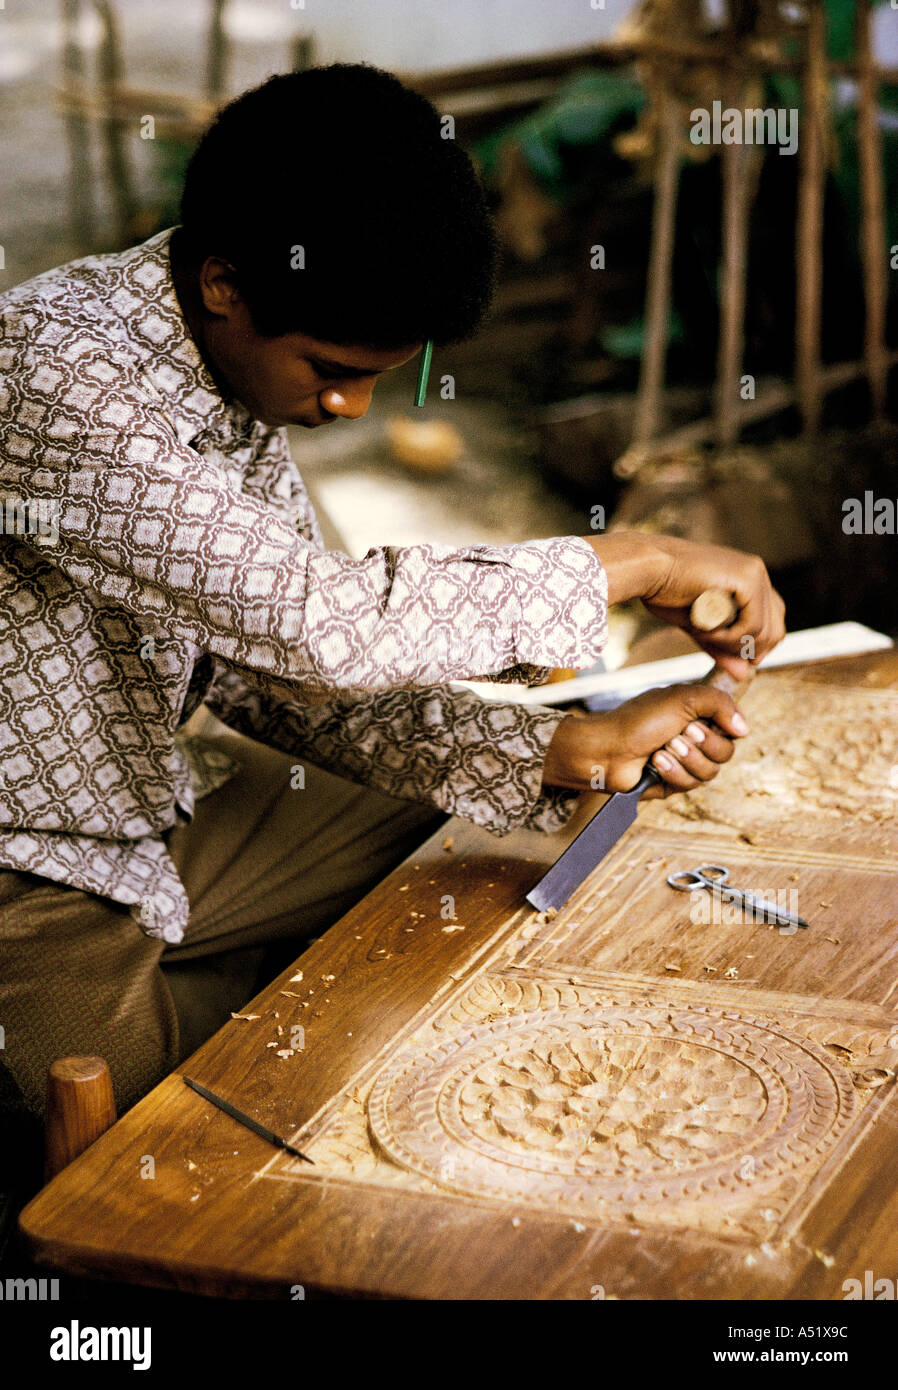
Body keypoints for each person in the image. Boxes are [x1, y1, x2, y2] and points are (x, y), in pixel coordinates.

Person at [0, 65, 784, 1164]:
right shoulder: (51, 368)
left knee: (475, 841)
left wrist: (560, 744)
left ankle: (192, 989)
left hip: (154, 812)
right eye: (332, 371)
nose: (348, 408)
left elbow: (276, 675)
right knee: (154, 1167)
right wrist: (635, 557)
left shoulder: (219, 364)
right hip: (29, 865)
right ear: (224, 282)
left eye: (380, 378)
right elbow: (323, 624)